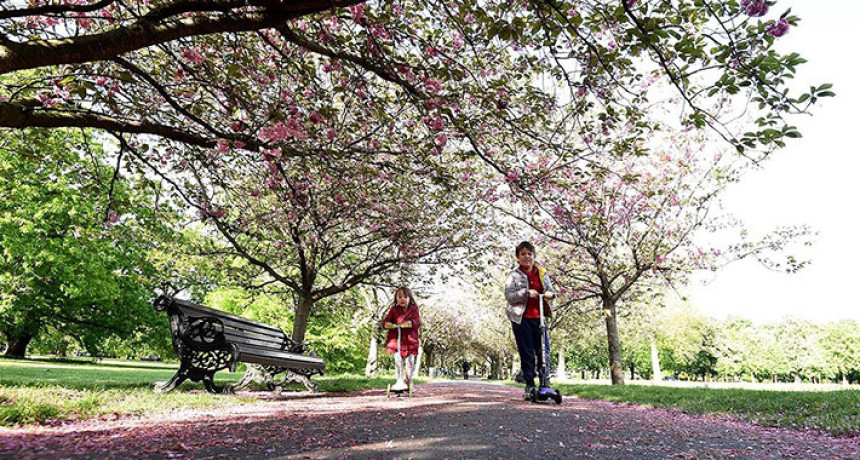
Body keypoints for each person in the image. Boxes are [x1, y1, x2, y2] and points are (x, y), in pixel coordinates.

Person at [504, 241, 556, 400]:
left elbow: (551, 291)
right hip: (521, 319)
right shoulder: (513, 275)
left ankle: (545, 383)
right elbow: (509, 296)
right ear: (518, 258)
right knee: (527, 353)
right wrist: (525, 293)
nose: (527, 257)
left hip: (539, 318)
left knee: (544, 351)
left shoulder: (541, 272)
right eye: (523, 254)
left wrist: (550, 294)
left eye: (530, 254)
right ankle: (529, 384)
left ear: (534, 256)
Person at [381, 286, 421, 390]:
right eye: (399, 297)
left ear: (409, 298)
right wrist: (387, 324)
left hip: (410, 340)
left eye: (405, 297)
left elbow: (417, 321)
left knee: (410, 361)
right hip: (396, 340)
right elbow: (386, 321)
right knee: (398, 360)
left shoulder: (414, 309)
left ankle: (409, 380)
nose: (402, 299)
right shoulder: (394, 310)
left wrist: (411, 323)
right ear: (396, 299)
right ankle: (399, 380)